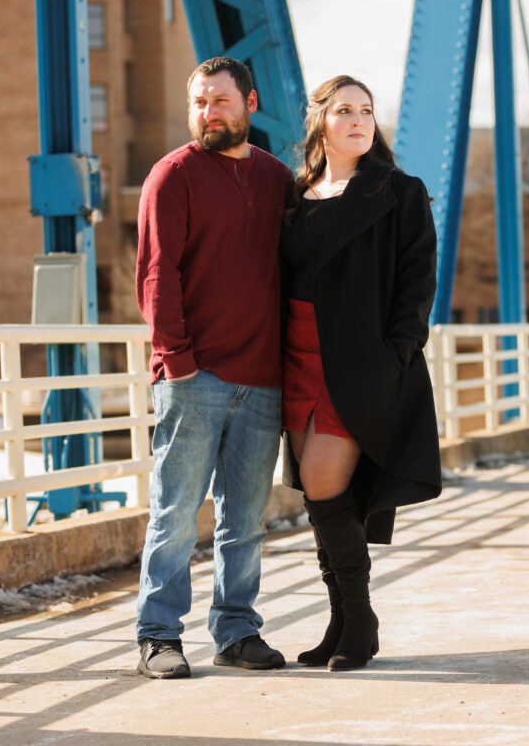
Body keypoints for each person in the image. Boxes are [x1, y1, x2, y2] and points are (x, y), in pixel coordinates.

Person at [135, 56, 293, 679]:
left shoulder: (280, 179)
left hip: (262, 379)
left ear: (249, 103)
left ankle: (235, 629)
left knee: (246, 520)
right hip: (193, 376)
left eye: (220, 101)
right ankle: (158, 635)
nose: (208, 113)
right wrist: (177, 363)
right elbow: (155, 274)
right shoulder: (172, 175)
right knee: (175, 513)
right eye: (199, 102)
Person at [281, 75, 442, 672]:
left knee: (324, 482)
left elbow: (418, 278)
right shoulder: (297, 197)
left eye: (367, 111)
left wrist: (397, 351)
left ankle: (361, 617)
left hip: (358, 363)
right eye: (345, 110)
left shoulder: (396, 192)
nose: (358, 120)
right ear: (321, 121)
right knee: (324, 498)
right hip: (295, 357)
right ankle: (343, 622)